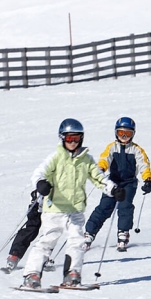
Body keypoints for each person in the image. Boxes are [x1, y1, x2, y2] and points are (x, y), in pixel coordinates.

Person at [21, 119, 121, 289]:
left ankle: (72, 275)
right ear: (62, 138)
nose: (73, 142)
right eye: (69, 139)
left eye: (76, 138)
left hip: (75, 210)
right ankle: (32, 275)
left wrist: (113, 189)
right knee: (47, 241)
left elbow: (99, 178)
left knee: (77, 241)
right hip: (55, 209)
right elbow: (39, 172)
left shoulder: (86, 159)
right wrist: (40, 183)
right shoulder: (56, 157)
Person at [83, 117, 151, 253]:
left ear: (133, 134)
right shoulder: (112, 147)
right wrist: (101, 169)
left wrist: (148, 179)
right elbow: (105, 159)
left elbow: (144, 165)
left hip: (129, 182)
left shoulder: (136, 150)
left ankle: (123, 232)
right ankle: (89, 233)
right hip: (113, 182)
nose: (124, 137)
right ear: (116, 133)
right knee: (104, 207)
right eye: (121, 133)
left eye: (128, 134)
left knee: (125, 206)